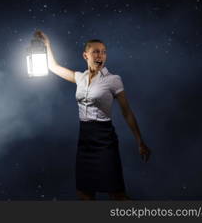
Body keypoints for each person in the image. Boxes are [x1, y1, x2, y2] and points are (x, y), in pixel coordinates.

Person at [35, 30, 151, 200]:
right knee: (84, 193)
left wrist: (140, 141)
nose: (100, 55)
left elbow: (126, 111)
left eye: (103, 52)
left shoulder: (113, 80)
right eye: (95, 51)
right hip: (85, 140)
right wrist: (47, 45)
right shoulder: (79, 78)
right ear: (85, 55)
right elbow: (53, 67)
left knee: (117, 195)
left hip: (104, 139)